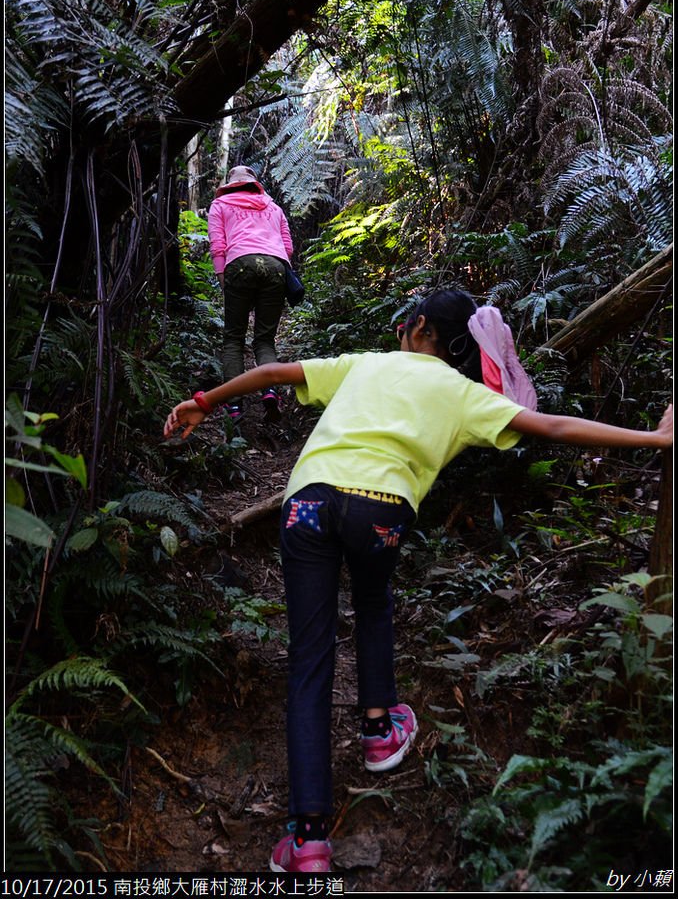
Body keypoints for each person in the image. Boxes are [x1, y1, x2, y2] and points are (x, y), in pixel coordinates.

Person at [163, 288, 673, 873]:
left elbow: (275, 371)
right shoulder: (463, 394)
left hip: (307, 504)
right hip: (381, 513)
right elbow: (553, 427)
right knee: (374, 600)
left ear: (417, 325)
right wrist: (655, 440)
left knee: (310, 659)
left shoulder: (368, 364)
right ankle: (380, 731)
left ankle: (307, 841)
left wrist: (204, 400)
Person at [207, 164, 294, 421]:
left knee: (234, 338)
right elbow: (287, 246)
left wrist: (223, 277)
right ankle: (270, 391)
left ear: (231, 184)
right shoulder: (273, 206)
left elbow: (218, 244)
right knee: (265, 339)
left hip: (239, 265)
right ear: (254, 183)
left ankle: (233, 406)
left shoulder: (220, 205)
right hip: (277, 266)